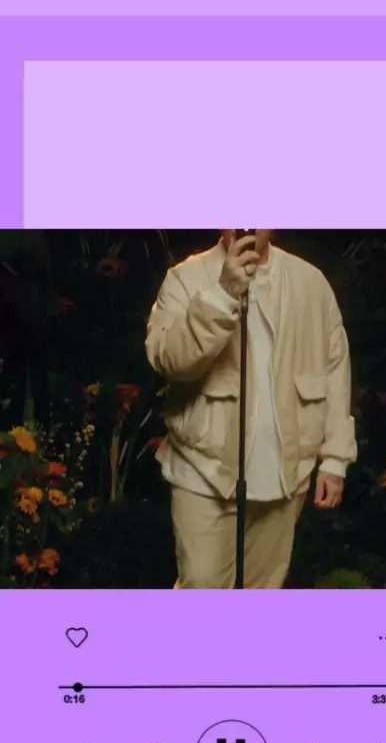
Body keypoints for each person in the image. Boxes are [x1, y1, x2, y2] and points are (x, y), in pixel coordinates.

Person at [146, 230, 357, 589]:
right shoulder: (185, 278)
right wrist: (222, 294)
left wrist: (335, 458)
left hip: (285, 474)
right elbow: (169, 359)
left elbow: (334, 368)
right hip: (204, 471)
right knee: (202, 591)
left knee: (263, 596)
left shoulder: (310, 282)